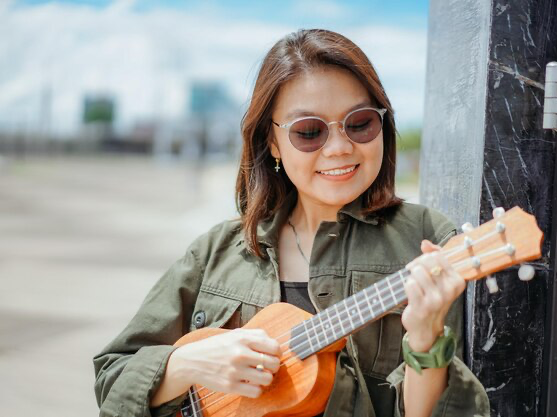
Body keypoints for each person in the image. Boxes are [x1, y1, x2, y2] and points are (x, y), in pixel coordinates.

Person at [94, 29, 489, 417]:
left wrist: (424, 340)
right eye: (309, 131)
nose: (338, 148)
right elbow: (113, 377)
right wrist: (187, 364)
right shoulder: (216, 251)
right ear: (272, 142)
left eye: (360, 123)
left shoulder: (428, 243)